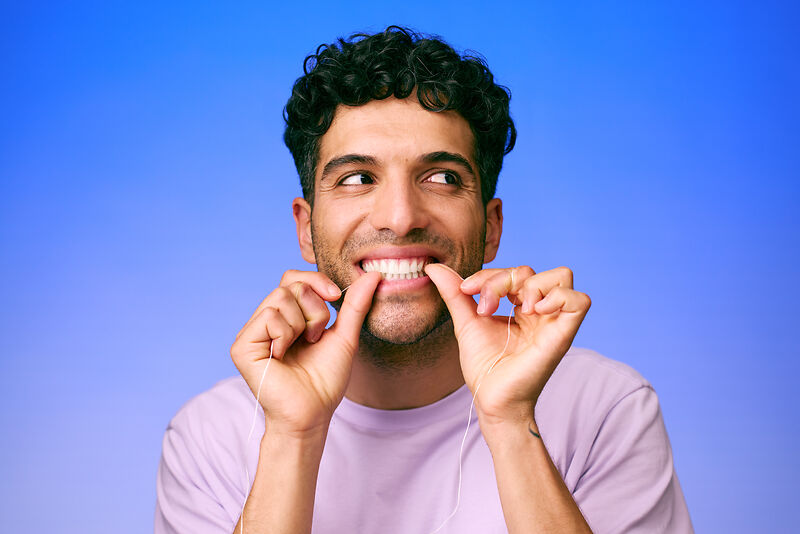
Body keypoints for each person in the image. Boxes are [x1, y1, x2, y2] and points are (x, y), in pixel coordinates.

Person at [155, 26, 693, 533]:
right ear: (306, 227)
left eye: (441, 178)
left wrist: (509, 421)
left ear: (490, 228)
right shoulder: (212, 434)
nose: (400, 216)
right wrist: (293, 435)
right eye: (358, 178)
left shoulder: (608, 407)